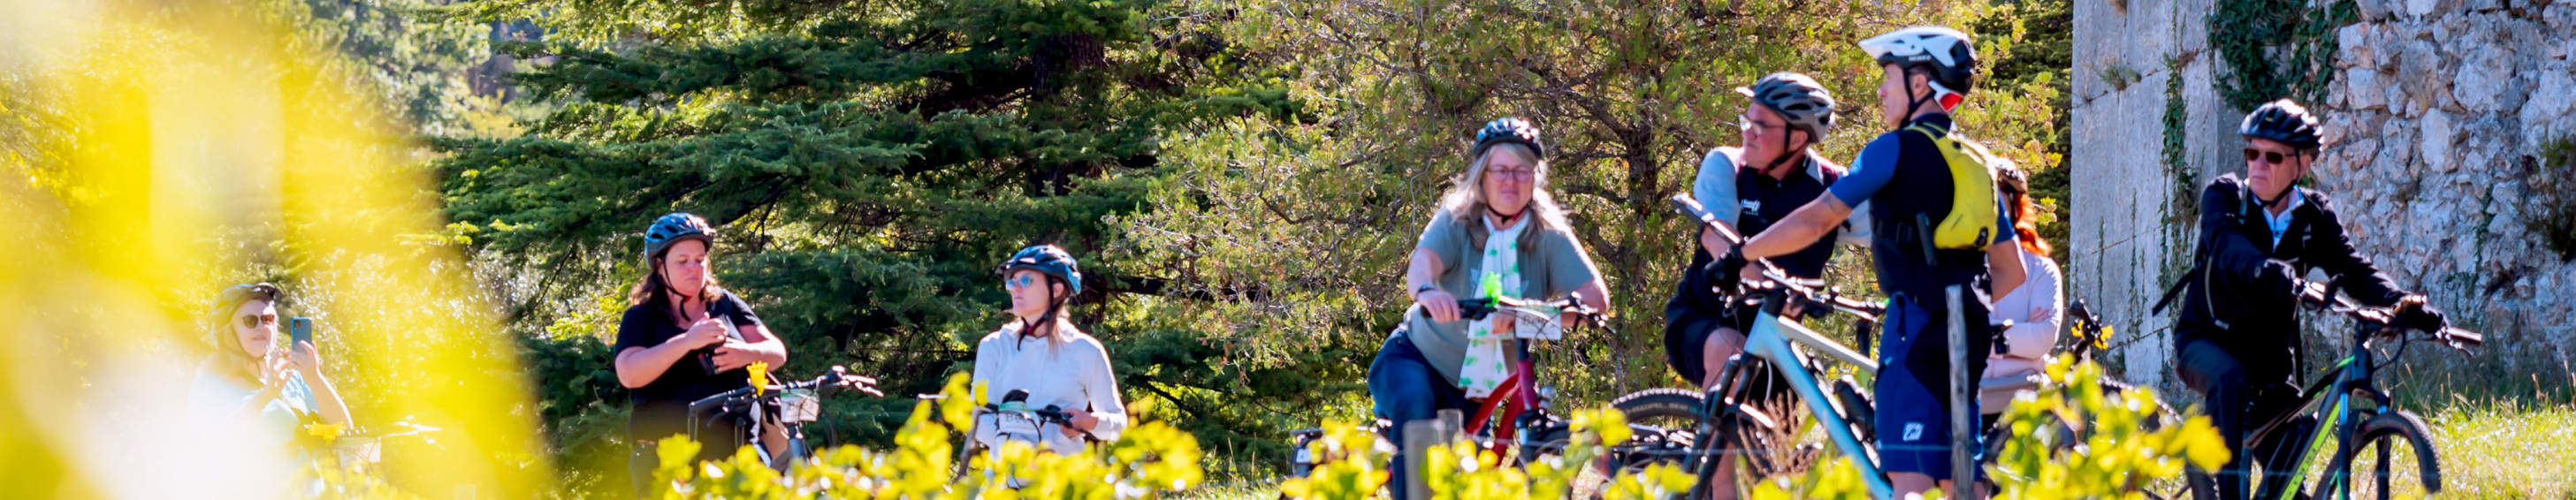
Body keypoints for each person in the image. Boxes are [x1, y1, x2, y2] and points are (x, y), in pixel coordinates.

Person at [1725, 26, 2027, 496]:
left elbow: (1819, 218)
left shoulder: (1894, 149)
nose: (1881, 90)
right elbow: (2012, 272)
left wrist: (1742, 252)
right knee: (1959, 479)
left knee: (1907, 479)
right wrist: (1960, 298)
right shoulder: (1979, 163)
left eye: (1888, 76)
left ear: (1920, 84)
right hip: (1967, 329)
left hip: (1915, 327)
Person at [2156, 98, 2443, 500]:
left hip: (2271, 366)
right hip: (2206, 343)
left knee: (2292, 489)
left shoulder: (2313, 216)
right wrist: (2267, 269)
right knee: (2229, 379)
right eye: (2251, 152)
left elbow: (2355, 268)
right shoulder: (2224, 197)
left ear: (2303, 164)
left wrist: (2405, 304)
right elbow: (2227, 246)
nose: (2258, 164)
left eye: (2272, 156)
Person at [1368, 117, 1609, 500]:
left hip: (1478, 389)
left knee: (1467, 481)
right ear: (1482, 176)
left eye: (1521, 171)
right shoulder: (1457, 219)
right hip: (1417, 360)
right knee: (1416, 413)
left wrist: (1529, 317)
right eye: (1500, 170)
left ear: (1535, 178)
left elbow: (1595, 298)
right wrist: (1430, 293)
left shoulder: (1549, 233)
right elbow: (1422, 264)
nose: (1510, 181)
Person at [1662, 72, 1868, 499]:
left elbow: (1889, 230)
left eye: (1761, 126)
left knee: (1791, 461)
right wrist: (1769, 280)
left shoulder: (1831, 186)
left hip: (1778, 341)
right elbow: (1717, 236)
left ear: (1798, 139)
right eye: (1747, 120)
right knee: (1727, 349)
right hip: (1704, 321)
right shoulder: (1727, 164)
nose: (1748, 133)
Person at [613, 212, 789, 493]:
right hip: (666, 463)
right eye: (682, 261)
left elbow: (776, 351)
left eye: (699, 260)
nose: (694, 268)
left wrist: (745, 353)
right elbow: (629, 373)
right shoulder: (642, 316)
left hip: (737, 459)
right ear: (660, 267)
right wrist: (687, 341)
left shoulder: (725, 304)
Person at [970, 244, 1128, 456]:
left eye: (1026, 281)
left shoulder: (1086, 351)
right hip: (1003, 483)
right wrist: (1024, 457)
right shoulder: (993, 346)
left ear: (1056, 289)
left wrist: (1090, 422)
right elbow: (977, 415)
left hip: (1065, 482)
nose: (1015, 288)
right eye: (1012, 282)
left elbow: (1118, 423)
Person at [187, 283, 355, 447]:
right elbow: (209, 445)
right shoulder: (208, 386)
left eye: (268, 319)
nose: (261, 326)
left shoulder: (293, 378)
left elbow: (344, 428)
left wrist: (314, 377)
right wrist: (266, 394)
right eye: (249, 321)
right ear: (228, 331)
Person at [1978, 163, 2063, 415]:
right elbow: (1944, 336)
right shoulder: (1955, 266)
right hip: (1964, 399)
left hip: (2024, 401)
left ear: (2015, 206)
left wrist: (1979, 335)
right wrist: (2015, 333)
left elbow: (2044, 338)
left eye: (1995, 199)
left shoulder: (2042, 270)